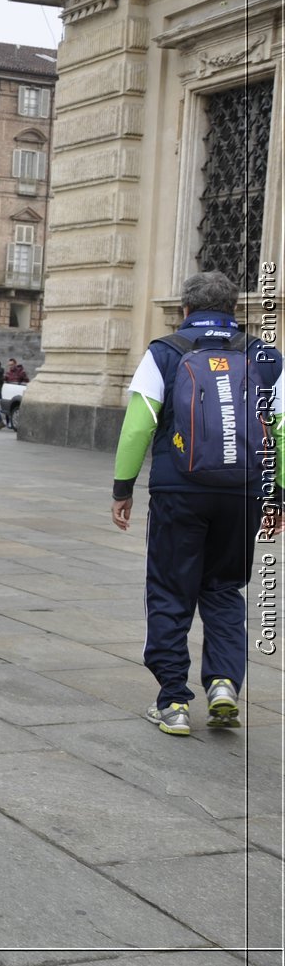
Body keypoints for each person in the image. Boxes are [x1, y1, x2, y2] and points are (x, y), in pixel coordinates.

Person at [111, 271, 283, 735]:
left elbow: (137, 428)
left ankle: (173, 702)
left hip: (179, 489)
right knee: (225, 588)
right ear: (235, 310)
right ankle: (224, 683)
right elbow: (281, 428)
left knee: (170, 589)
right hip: (243, 490)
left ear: (185, 310)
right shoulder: (266, 357)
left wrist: (123, 488)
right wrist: (277, 493)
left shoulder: (165, 352)